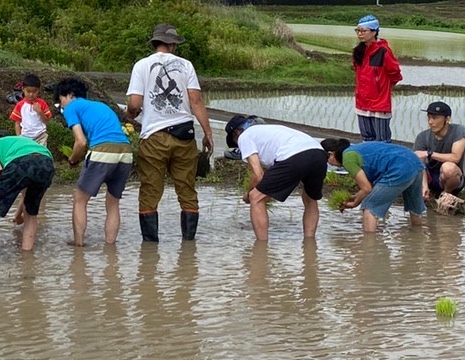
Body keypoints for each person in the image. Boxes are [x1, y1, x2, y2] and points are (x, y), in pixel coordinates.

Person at [125, 23, 213, 242]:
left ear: (156, 43)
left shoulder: (142, 65)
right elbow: (196, 101)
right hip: (185, 135)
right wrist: (208, 133)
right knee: (187, 189)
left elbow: (135, 103)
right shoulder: (186, 65)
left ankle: (150, 249)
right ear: (172, 44)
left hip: (154, 137)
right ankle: (189, 245)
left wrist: (132, 114)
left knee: (150, 191)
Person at [56, 77, 133, 247]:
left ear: (69, 95)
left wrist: (73, 159)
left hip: (102, 151)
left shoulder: (72, 107)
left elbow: (81, 142)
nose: (61, 105)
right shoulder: (101, 106)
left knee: (79, 199)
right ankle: (110, 249)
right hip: (125, 152)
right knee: (113, 204)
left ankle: (78, 245)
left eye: (60, 99)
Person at [225, 115, 329, 240]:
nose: (238, 145)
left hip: (293, 156)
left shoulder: (244, 136)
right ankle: (310, 244)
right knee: (310, 199)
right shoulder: (269, 130)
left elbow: (258, 175)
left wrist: (248, 194)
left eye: (235, 141)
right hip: (318, 154)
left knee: (256, 198)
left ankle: (261, 249)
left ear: (236, 132)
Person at [321, 137, 426, 234]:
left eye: (326, 160)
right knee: (414, 206)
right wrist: (354, 197)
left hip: (399, 168)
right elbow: (371, 186)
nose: (329, 164)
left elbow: (367, 189)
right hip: (414, 161)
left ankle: (369, 246)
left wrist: (354, 203)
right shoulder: (355, 149)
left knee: (369, 206)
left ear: (331, 154)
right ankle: (418, 236)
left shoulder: (347, 159)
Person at [0, 131, 54, 260]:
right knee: (31, 212)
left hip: (20, 163)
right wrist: (17, 215)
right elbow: (25, 191)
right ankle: (27, 256)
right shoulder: (22, 141)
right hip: (46, 163)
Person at [351, 15, 402, 142]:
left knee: (382, 140)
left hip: (380, 103)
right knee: (367, 139)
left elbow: (395, 73)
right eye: (358, 31)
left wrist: (382, 87)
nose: (360, 34)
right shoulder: (358, 51)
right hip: (362, 102)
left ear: (374, 32)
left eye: (363, 31)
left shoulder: (383, 51)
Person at [413, 100, 465, 203]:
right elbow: (418, 162)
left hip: (451, 179)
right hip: (430, 177)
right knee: (410, 165)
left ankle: (447, 194)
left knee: (448, 168)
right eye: (429, 117)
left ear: (447, 119)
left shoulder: (458, 131)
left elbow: (456, 157)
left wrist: (429, 154)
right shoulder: (422, 136)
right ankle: (425, 190)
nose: (430, 122)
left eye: (435, 118)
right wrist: (424, 185)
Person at [10, 73, 53, 143]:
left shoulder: (42, 103)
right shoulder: (20, 105)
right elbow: (17, 123)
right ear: (23, 89)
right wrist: (19, 137)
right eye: (28, 91)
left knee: (40, 153)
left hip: (41, 136)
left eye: (34, 91)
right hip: (25, 137)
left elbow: (46, 121)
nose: (31, 94)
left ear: (38, 90)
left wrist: (40, 112)